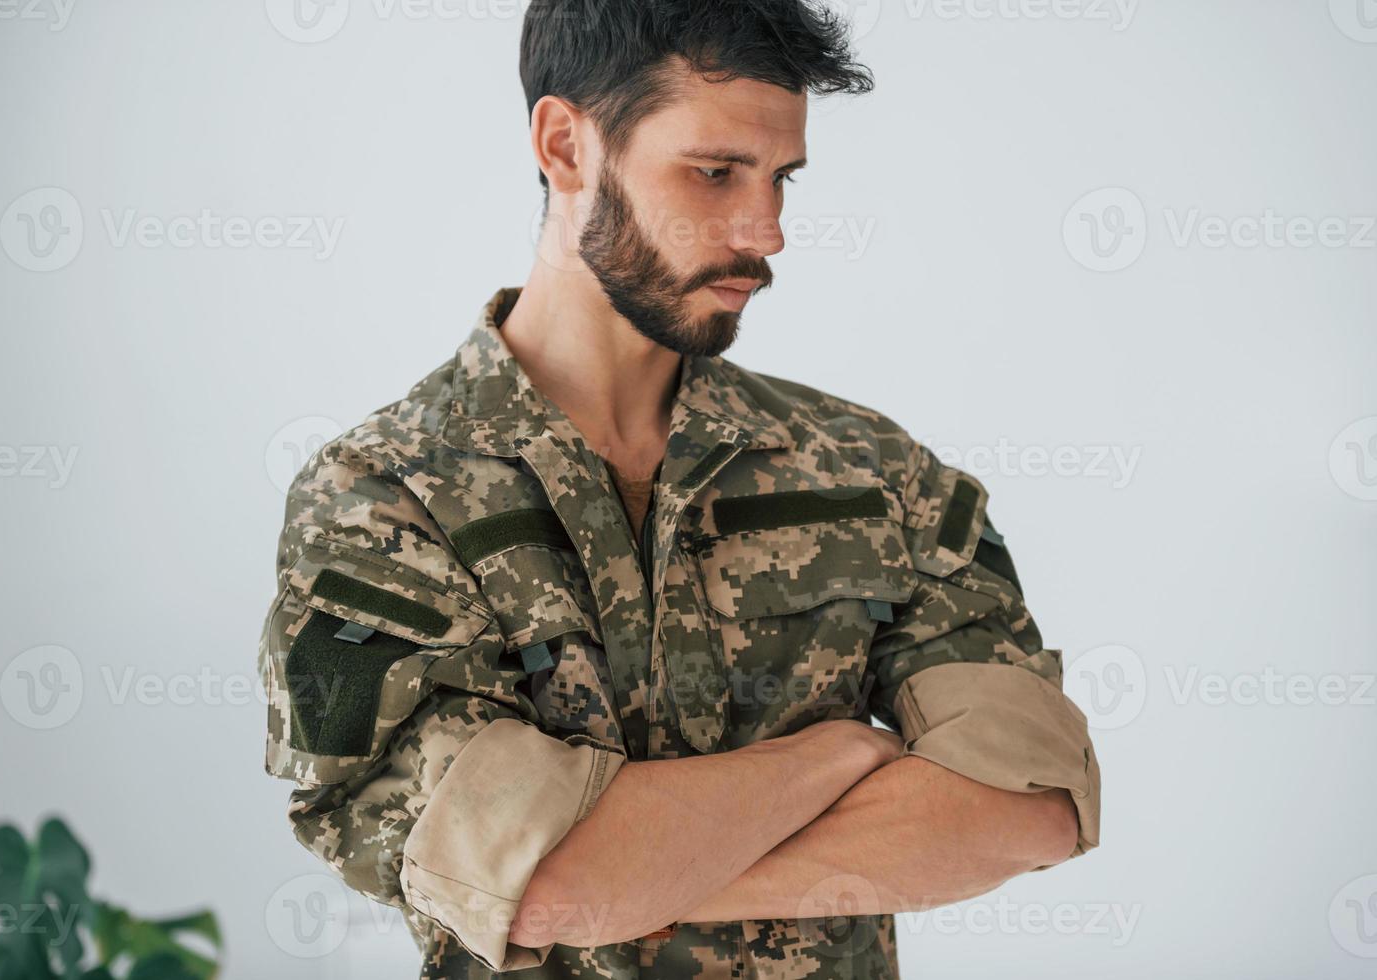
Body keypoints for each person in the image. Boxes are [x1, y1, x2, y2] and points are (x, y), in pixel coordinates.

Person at [257, 2, 1101, 976]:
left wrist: (627, 882)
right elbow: (544, 879)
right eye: (714, 173)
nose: (767, 232)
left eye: (779, 179)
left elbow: (1031, 803)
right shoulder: (380, 500)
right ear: (566, 143)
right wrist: (837, 755)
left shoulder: (873, 471)